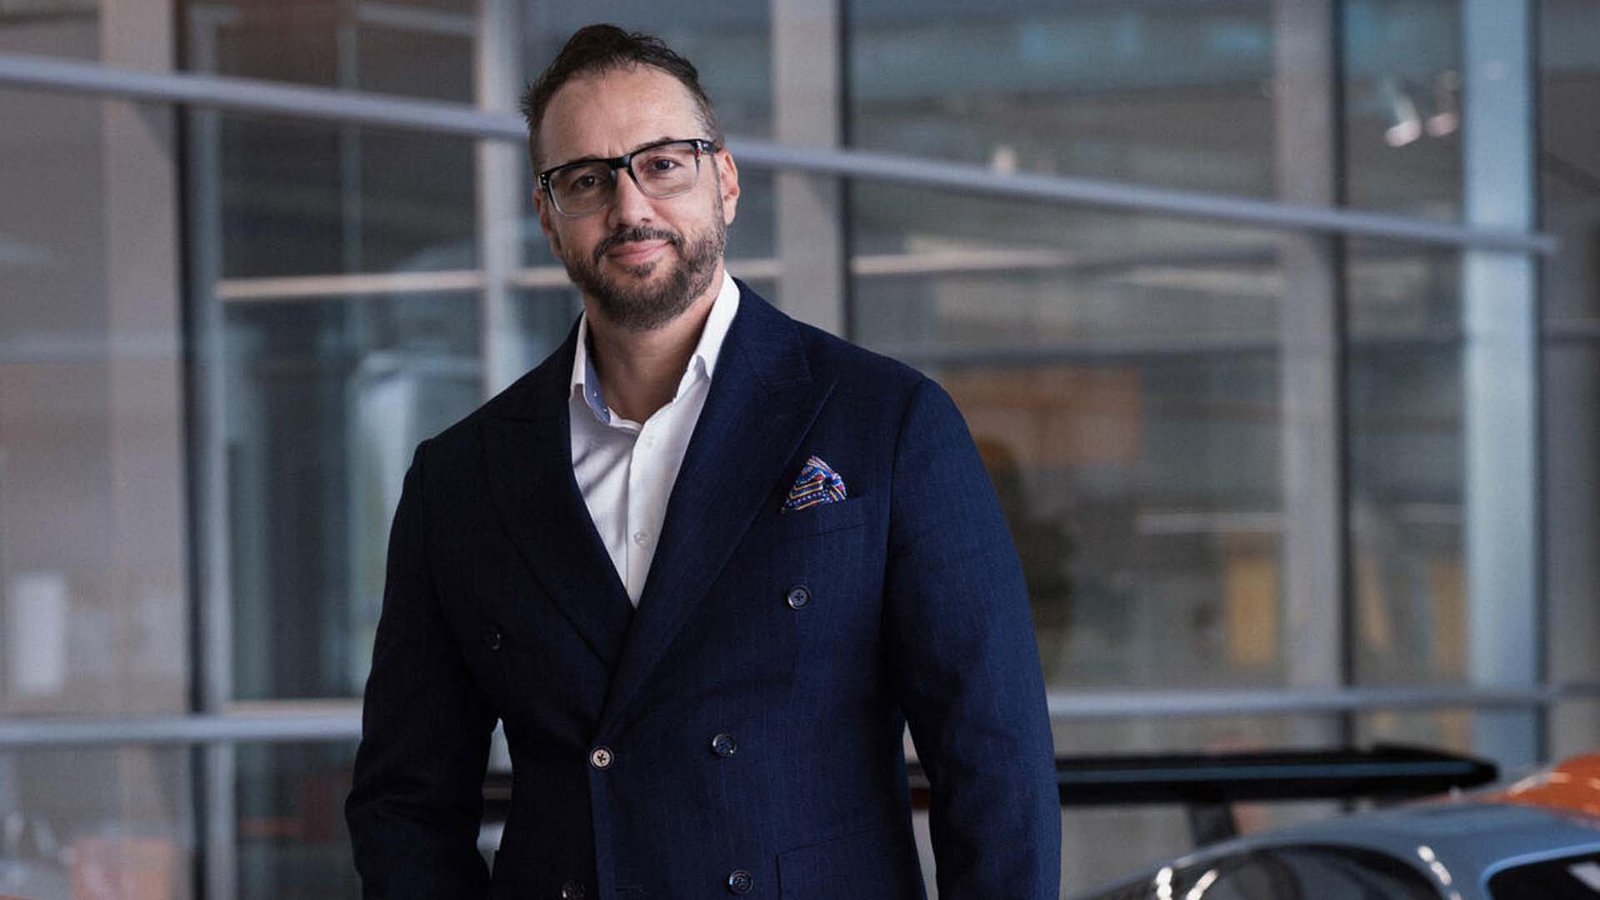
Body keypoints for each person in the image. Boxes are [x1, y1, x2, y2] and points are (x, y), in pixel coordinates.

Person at [345, 23, 1060, 899]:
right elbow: (406, 804)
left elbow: (995, 764)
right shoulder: (461, 479)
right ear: (547, 217)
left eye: (662, 164)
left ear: (724, 181)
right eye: (587, 179)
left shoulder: (887, 422)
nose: (630, 207)